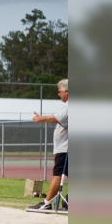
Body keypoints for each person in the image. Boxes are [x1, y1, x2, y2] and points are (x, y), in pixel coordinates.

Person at [28, 79, 68, 211]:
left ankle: (46, 203)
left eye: (60, 91)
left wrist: (40, 118)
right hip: (63, 148)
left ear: (67, 92)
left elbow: (57, 118)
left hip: (65, 149)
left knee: (57, 175)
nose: (59, 94)